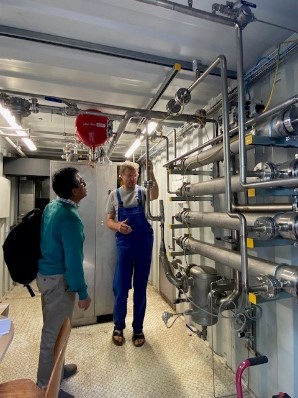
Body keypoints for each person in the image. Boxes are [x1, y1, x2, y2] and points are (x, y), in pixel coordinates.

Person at [36, 167, 91, 398]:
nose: (85, 184)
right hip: (58, 281)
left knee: (58, 329)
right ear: (73, 190)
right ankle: (45, 386)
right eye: (81, 181)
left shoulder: (52, 207)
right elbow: (74, 261)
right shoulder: (70, 218)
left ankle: (58, 369)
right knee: (53, 333)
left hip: (46, 276)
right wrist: (82, 291)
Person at [106, 160, 159, 347]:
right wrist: (117, 226)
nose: (131, 178)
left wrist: (151, 173)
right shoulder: (114, 195)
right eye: (128, 175)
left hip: (143, 244)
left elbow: (155, 194)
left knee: (140, 288)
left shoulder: (142, 192)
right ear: (121, 176)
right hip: (124, 245)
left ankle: (138, 328)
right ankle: (118, 327)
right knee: (121, 287)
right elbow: (108, 220)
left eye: (135, 175)